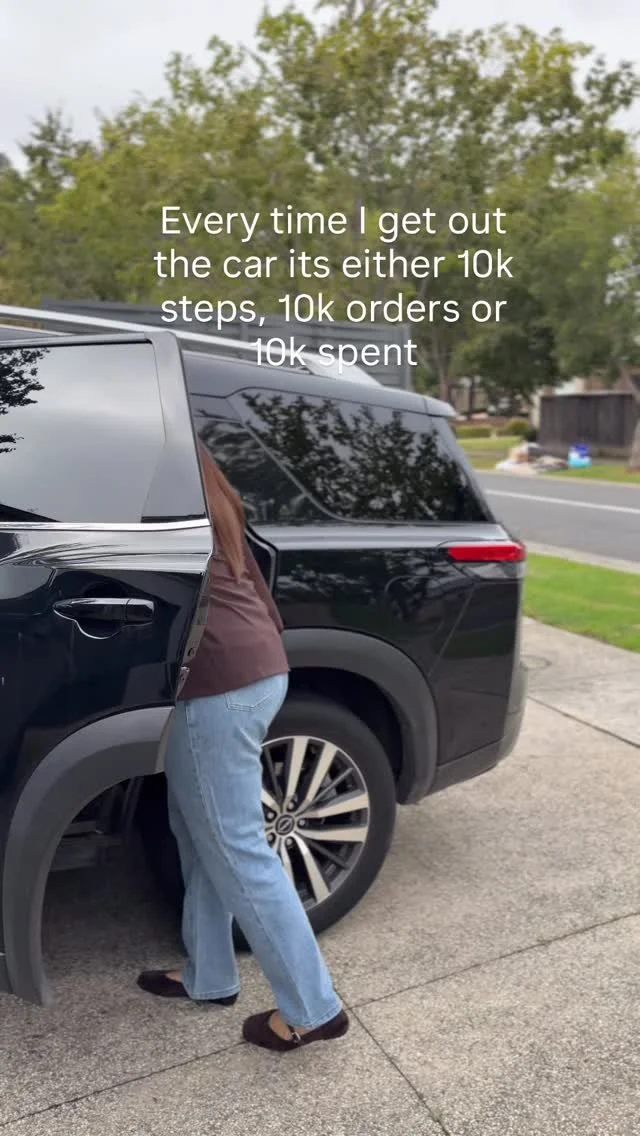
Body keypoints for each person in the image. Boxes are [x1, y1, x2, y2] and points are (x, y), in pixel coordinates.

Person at [137, 445, 348, 1052]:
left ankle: (313, 1009)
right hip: (254, 668)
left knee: (236, 847)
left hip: (218, 686)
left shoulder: (156, 477)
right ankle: (209, 975)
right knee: (198, 830)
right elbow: (251, 576)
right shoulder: (202, 476)